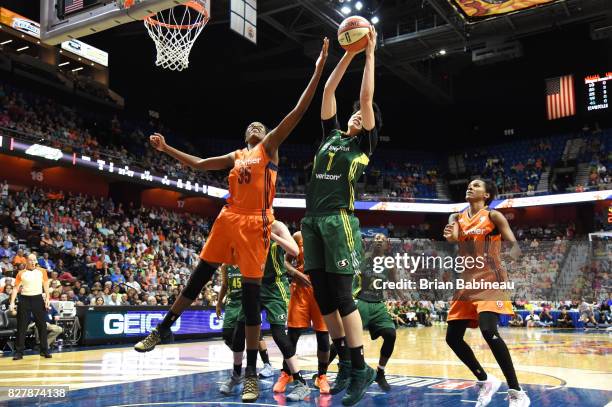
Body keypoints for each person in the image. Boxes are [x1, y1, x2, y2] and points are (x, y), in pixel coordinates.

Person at [134, 38, 328, 403]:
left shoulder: (268, 149)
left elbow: (298, 111)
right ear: (244, 135)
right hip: (228, 218)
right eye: (251, 125)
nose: (256, 126)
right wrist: (166, 149)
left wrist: (317, 70)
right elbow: (198, 164)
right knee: (199, 277)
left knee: (253, 303)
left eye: (261, 125)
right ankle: (162, 329)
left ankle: (252, 374)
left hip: (257, 223)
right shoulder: (238, 155)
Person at [302, 26, 380, 406]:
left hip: (339, 220)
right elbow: (329, 91)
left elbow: (365, 97)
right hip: (312, 219)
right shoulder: (330, 135)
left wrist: (368, 54)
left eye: (361, 116)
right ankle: (347, 364)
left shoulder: (362, 143)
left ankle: (361, 367)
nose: (354, 116)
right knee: (323, 298)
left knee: (343, 296)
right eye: (352, 115)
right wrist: (345, 54)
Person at [443, 179, 530, 407]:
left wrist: (502, 259)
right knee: (452, 338)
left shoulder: (494, 216)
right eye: (469, 185)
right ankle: (485, 380)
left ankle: (517, 392)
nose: (470, 187)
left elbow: (515, 247)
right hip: (467, 281)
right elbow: (453, 239)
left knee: (489, 330)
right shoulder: (457, 217)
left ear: (487, 194)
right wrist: (451, 235)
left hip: (490, 278)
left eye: (476, 185)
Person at [283, 231, 331, 394]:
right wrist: (296, 273)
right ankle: (287, 373)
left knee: (323, 337)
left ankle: (322, 376)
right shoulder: (298, 235)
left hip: (322, 290)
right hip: (300, 290)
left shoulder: (329, 233)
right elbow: (285, 262)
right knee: (293, 335)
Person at [349, 233, 398, 392]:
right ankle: (323, 371)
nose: (378, 241)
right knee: (345, 338)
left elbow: (394, 282)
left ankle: (380, 372)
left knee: (390, 334)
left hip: (378, 304)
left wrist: (395, 297)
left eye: (382, 240)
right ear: (371, 242)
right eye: (376, 239)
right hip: (361, 300)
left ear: (386, 245)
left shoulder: (390, 263)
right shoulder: (363, 259)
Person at [215, 263, 274, 392]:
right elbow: (225, 285)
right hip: (232, 303)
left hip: (246, 301)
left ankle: (267, 364)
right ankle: (240, 355)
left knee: (256, 336)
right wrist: (219, 303)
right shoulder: (225, 266)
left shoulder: (246, 261)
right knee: (227, 335)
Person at [9, 254, 52, 360]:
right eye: (31, 260)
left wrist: (47, 299)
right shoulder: (21, 273)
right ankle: (19, 352)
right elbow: (15, 288)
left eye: (34, 260)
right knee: (21, 326)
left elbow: (46, 285)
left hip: (38, 299)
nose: (33, 262)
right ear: (26, 261)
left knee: (42, 325)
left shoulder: (42, 271)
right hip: (24, 299)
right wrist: (12, 302)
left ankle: (44, 350)